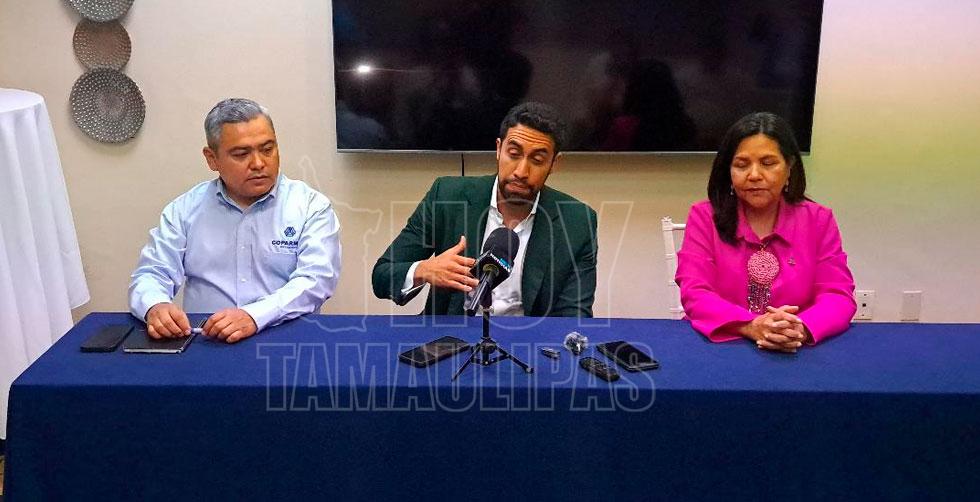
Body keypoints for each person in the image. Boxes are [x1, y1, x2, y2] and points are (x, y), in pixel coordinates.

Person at [129, 98, 341, 343]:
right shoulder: (184, 210)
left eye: (267, 149)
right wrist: (155, 305)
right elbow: (152, 273)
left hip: (285, 341)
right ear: (212, 159)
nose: (259, 163)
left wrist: (254, 316)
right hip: (208, 342)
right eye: (241, 154)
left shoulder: (310, 206)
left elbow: (316, 280)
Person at [372, 102, 597, 317]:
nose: (521, 171)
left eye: (537, 160)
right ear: (499, 149)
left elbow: (575, 315)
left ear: (554, 163)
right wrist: (424, 270)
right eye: (513, 153)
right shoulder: (446, 197)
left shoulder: (577, 222)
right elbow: (382, 276)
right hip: (452, 335)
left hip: (527, 337)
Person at [676, 112, 855, 352]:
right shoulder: (704, 216)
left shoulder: (818, 219)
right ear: (728, 170)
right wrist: (751, 325)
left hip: (795, 348)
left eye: (768, 163)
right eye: (741, 165)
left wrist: (799, 328)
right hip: (721, 346)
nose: (754, 175)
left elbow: (837, 295)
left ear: (789, 166)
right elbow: (695, 292)